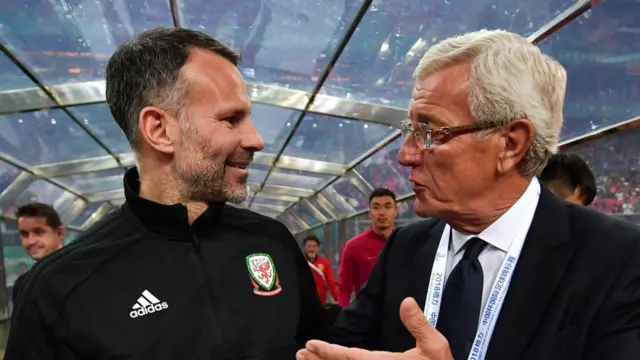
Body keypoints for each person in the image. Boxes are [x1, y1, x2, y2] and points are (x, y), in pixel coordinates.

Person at [297, 29, 640, 360]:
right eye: (410, 130)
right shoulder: (405, 248)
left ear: (510, 144)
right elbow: (342, 345)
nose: (405, 154)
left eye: (429, 131)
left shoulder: (618, 260)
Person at [6, 27, 325, 360]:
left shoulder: (271, 240)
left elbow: (318, 344)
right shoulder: (58, 290)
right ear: (159, 130)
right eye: (231, 119)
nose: (256, 139)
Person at [337, 188, 397, 308]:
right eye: (376, 207)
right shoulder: (353, 246)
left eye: (387, 206)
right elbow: (345, 289)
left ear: (395, 211)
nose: (382, 212)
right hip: (366, 317)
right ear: (369, 212)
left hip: (400, 316)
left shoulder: (405, 242)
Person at [12, 203, 64, 304]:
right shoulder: (22, 285)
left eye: (39, 232)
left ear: (59, 233)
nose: (31, 241)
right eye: (24, 234)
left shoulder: (83, 274)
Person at [303, 234, 339, 305]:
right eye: (309, 246)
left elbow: (331, 282)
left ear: (318, 248)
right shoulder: (297, 262)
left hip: (320, 303)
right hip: (303, 303)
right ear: (304, 248)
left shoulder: (324, 263)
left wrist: (338, 299)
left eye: (314, 246)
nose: (312, 249)